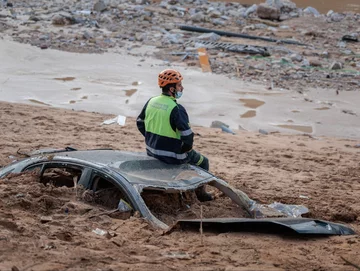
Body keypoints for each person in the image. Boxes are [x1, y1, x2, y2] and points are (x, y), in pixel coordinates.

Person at [136, 69, 213, 202]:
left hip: (151, 151)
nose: (182, 88)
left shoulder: (151, 101)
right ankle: (201, 194)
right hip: (173, 156)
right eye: (179, 85)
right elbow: (188, 138)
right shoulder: (176, 109)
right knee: (203, 161)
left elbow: (139, 122)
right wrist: (184, 150)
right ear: (172, 89)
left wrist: (151, 138)